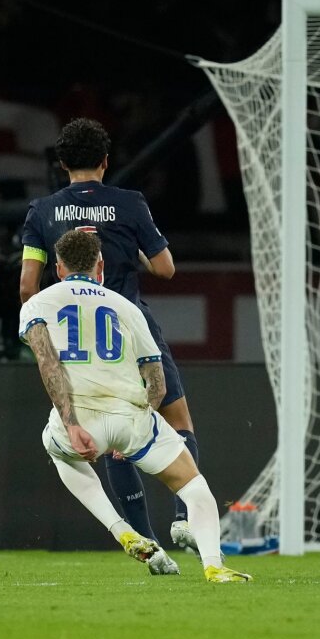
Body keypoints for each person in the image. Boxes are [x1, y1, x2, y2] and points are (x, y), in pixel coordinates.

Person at [19, 118, 202, 569]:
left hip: (73, 339)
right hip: (128, 324)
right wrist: (131, 248)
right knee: (175, 419)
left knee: (102, 435)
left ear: (62, 164)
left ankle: (146, 539)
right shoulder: (130, 204)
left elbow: (27, 285)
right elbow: (165, 269)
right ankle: (183, 517)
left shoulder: (42, 211)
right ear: (106, 160)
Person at [19, 230, 250, 582]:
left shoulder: (37, 304)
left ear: (59, 268)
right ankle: (214, 566)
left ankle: (121, 530)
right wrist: (144, 421)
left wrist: (71, 424)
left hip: (79, 418)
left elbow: (48, 363)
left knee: (58, 452)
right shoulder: (126, 306)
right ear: (100, 266)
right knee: (195, 488)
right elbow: (155, 378)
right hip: (131, 415)